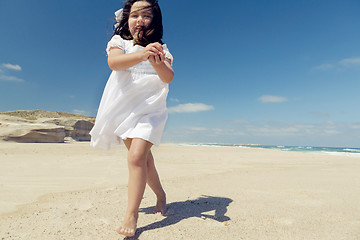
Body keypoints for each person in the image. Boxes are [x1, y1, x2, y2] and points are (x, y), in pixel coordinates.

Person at [89, 0, 174, 237]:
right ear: (127, 19)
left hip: (150, 109)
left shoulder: (161, 48)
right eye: (134, 15)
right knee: (144, 161)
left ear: (154, 22)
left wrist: (156, 61)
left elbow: (168, 77)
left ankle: (131, 214)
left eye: (145, 16)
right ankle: (160, 194)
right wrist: (141, 55)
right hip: (125, 109)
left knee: (136, 157)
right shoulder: (120, 43)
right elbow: (113, 63)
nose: (139, 20)